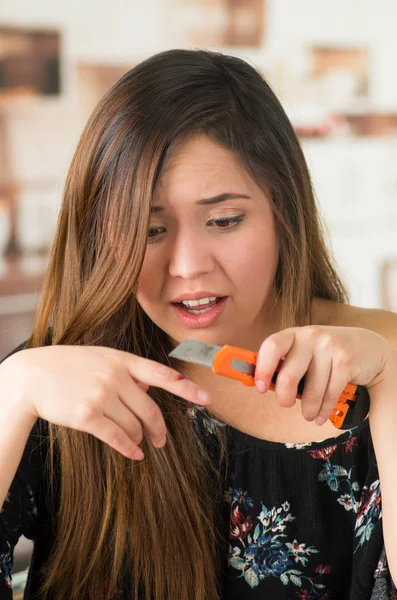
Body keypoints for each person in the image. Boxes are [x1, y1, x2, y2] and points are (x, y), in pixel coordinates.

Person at [1, 49, 397, 600]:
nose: (188, 267)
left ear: (283, 209)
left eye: (224, 221)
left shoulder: (386, 356)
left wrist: (393, 377)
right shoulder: (57, 385)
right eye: (148, 229)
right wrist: (13, 390)